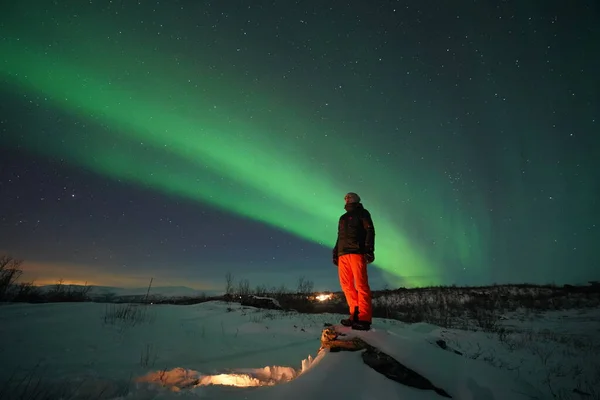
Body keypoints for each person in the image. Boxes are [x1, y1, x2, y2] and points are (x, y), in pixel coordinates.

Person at [332, 192, 375, 331]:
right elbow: (340, 237)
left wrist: (369, 249)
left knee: (361, 285)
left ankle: (364, 318)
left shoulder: (363, 213)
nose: (346, 198)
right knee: (346, 286)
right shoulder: (342, 218)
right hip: (342, 254)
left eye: (350, 197)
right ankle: (354, 315)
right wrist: (335, 252)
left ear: (356, 199)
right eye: (345, 197)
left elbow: (370, 230)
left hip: (357, 252)